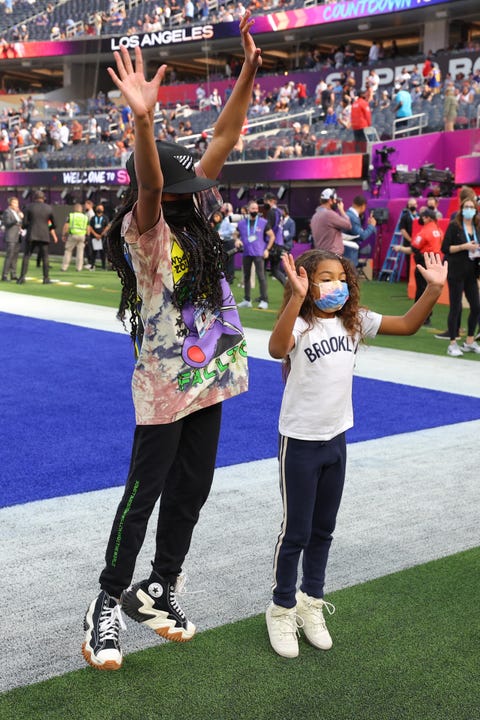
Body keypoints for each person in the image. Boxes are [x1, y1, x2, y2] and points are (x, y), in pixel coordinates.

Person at [82, 12, 261, 671]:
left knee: (193, 489)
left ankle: (158, 589)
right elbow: (154, 182)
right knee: (144, 492)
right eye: (191, 185)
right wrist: (145, 121)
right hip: (163, 382)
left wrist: (248, 73)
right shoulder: (145, 226)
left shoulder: (196, 214)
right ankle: (106, 602)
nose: (199, 190)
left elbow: (227, 132)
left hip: (208, 373)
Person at [265, 248, 447, 658]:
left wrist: (434, 290)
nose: (336, 285)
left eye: (341, 277)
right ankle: (281, 608)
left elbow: (407, 324)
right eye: (324, 278)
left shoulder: (355, 321)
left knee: (323, 529)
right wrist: (294, 298)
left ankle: (311, 602)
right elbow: (277, 349)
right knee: (295, 531)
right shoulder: (300, 323)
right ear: (306, 282)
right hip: (299, 442)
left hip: (336, 439)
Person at [441, 197, 480, 357]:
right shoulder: (454, 226)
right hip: (456, 272)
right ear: (462, 209)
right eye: (467, 207)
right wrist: (464, 246)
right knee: (455, 307)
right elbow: (445, 248)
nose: (469, 209)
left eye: (472, 207)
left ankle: (469, 341)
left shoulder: (477, 228)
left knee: (476, 307)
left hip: (471, 273)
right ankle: (452, 343)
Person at [393, 207, 444, 325]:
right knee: (430, 290)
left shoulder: (425, 232)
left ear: (428, 218)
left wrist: (399, 248)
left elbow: (413, 249)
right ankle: (428, 315)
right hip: (434, 263)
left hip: (424, 263)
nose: (421, 218)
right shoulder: (438, 230)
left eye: (423, 216)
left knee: (421, 291)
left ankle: (420, 317)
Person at [235, 199, 275, 310]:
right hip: (246, 252)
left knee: (261, 277)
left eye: (257, 209)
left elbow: (272, 236)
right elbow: (235, 234)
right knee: (246, 277)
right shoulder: (242, 223)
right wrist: (237, 240)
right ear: (248, 210)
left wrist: (267, 249)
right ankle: (247, 300)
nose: (255, 210)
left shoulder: (263, 222)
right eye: (253, 208)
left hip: (259, 253)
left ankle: (264, 300)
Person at [17, 190, 58, 284]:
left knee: (27, 256)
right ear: (43, 198)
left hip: (31, 234)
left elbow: (24, 224)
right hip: (44, 235)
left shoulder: (29, 207)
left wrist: (29, 226)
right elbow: (54, 224)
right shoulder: (49, 208)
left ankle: (22, 278)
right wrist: (47, 228)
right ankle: (46, 278)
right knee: (45, 257)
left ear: (34, 198)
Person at [310, 188, 352, 256]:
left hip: (322, 254)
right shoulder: (329, 214)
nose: (336, 202)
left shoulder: (315, 216)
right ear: (330, 200)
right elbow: (348, 225)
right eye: (335, 200)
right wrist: (342, 210)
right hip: (332, 255)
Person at [263, 192, 286, 286]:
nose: (264, 203)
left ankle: (263, 296)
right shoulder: (280, 212)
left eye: (266, 201)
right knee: (275, 270)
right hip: (279, 243)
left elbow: (268, 228)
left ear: (271, 201)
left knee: (261, 269)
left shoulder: (271, 212)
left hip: (272, 244)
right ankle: (288, 287)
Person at [61, 203, 89, 271]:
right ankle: (79, 268)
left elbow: (66, 226)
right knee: (80, 252)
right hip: (82, 235)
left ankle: (64, 267)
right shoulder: (85, 217)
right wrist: (87, 236)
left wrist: (64, 235)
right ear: (81, 209)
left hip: (73, 235)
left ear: (74, 209)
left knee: (68, 251)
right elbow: (88, 228)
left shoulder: (71, 216)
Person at [1, 196, 23, 281]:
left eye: (17, 203)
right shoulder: (7, 212)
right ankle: (4, 275)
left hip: (17, 237)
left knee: (15, 257)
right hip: (10, 237)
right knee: (9, 256)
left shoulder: (17, 212)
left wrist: (21, 218)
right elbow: (7, 223)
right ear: (10, 204)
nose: (17, 205)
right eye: (15, 203)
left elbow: (19, 223)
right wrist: (16, 221)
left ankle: (13, 274)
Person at [398, 197, 419, 280]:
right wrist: (410, 239)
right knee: (409, 263)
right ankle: (409, 281)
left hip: (419, 244)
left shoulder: (419, 216)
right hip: (408, 243)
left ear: (416, 205)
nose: (412, 206)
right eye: (410, 204)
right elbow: (402, 230)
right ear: (408, 206)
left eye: (414, 204)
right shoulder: (405, 217)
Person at [88, 204, 109, 270]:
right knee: (93, 252)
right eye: (98, 208)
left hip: (102, 237)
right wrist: (95, 234)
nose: (99, 209)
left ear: (103, 209)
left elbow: (107, 226)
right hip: (94, 237)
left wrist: (101, 234)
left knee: (103, 252)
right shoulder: (93, 218)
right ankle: (92, 265)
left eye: (101, 208)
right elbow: (90, 227)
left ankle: (103, 266)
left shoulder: (105, 217)